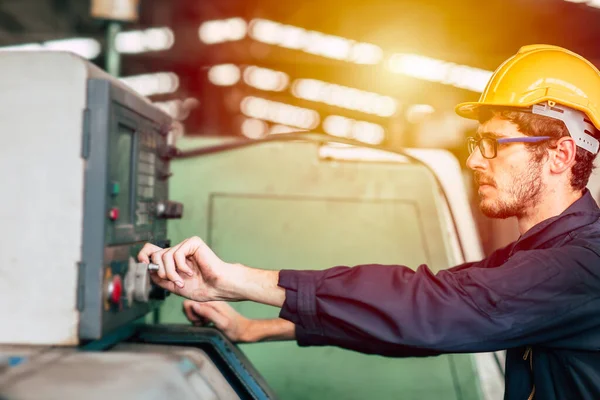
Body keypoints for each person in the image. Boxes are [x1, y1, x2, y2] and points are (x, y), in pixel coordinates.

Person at [138, 45, 600, 400]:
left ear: (559, 155)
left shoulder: (583, 265)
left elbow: (431, 310)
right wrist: (257, 327)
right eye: (476, 143)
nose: (476, 160)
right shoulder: (537, 255)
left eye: (495, 144)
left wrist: (238, 279)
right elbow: (413, 322)